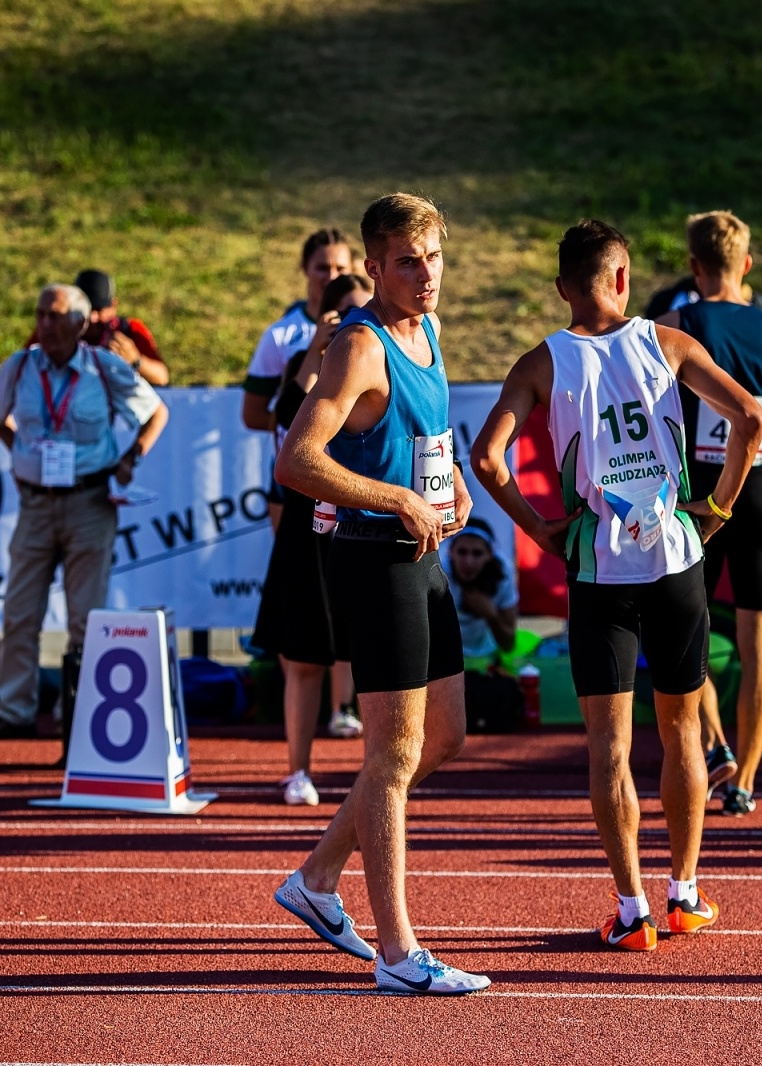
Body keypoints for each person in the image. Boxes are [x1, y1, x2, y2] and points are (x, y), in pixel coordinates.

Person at [474, 219, 762, 951]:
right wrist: (720, 506)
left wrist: (539, 528)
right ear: (624, 278)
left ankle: (632, 910)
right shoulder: (667, 342)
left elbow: (486, 460)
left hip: (598, 568)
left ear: (563, 288)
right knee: (683, 730)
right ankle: (686, 893)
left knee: (609, 745)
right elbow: (750, 418)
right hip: (675, 559)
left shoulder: (542, 362)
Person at [270, 193, 488, 995]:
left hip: (419, 550)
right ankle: (399, 955)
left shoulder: (426, 326)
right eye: (407, 261)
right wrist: (393, 498)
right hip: (370, 555)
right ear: (374, 266)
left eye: (433, 257)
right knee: (392, 756)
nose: (425, 274)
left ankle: (318, 878)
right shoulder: (357, 346)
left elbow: (427, 432)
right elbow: (298, 461)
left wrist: (450, 481)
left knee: (447, 735)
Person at [655, 211, 762, 817]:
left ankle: (715, 741)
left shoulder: (674, 325)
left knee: (683, 628)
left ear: (694, 267)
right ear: (747, 264)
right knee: (759, 635)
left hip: (700, 497)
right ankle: (746, 775)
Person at [0, 283, 168, 743]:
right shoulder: (20, 366)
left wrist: (131, 456)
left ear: (81, 324)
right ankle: (14, 712)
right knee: (20, 611)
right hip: (36, 504)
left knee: (86, 617)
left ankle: (79, 719)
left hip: (90, 502)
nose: (45, 325)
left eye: (57, 316)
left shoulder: (103, 367)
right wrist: (20, 455)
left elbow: (155, 412)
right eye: (41, 314)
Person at [251, 272, 370, 806]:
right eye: (343, 312)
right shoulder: (312, 363)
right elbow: (281, 419)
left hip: (364, 522)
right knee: (301, 658)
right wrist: (314, 352)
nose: (354, 320)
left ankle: (379, 775)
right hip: (307, 526)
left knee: (374, 653)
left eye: (362, 309)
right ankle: (297, 770)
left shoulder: (379, 356)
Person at [243, 229, 354, 530]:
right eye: (322, 267)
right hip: (294, 477)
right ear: (304, 269)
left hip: (356, 467)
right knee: (295, 570)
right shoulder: (280, 335)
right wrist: (300, 427)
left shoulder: (367, 330)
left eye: (341, 268)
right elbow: (252, 415)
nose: (331, 276)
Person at [27, 269, 169, 387]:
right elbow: (23, 369)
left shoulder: (129, 330)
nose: (93, 317)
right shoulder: (56, 330)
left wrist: (136, 361)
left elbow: (162, 377)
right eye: (86, 310)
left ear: (113, 306)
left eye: (98, 309)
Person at [442, 518, 519, 664]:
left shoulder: (503, 574)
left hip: (485, 656)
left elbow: (509, 644)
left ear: (490, 554)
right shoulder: (438, 572)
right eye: (462, 552)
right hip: (444, 658)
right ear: (450, 552)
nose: (468, 562)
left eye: (477, 553)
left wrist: (491, 615)